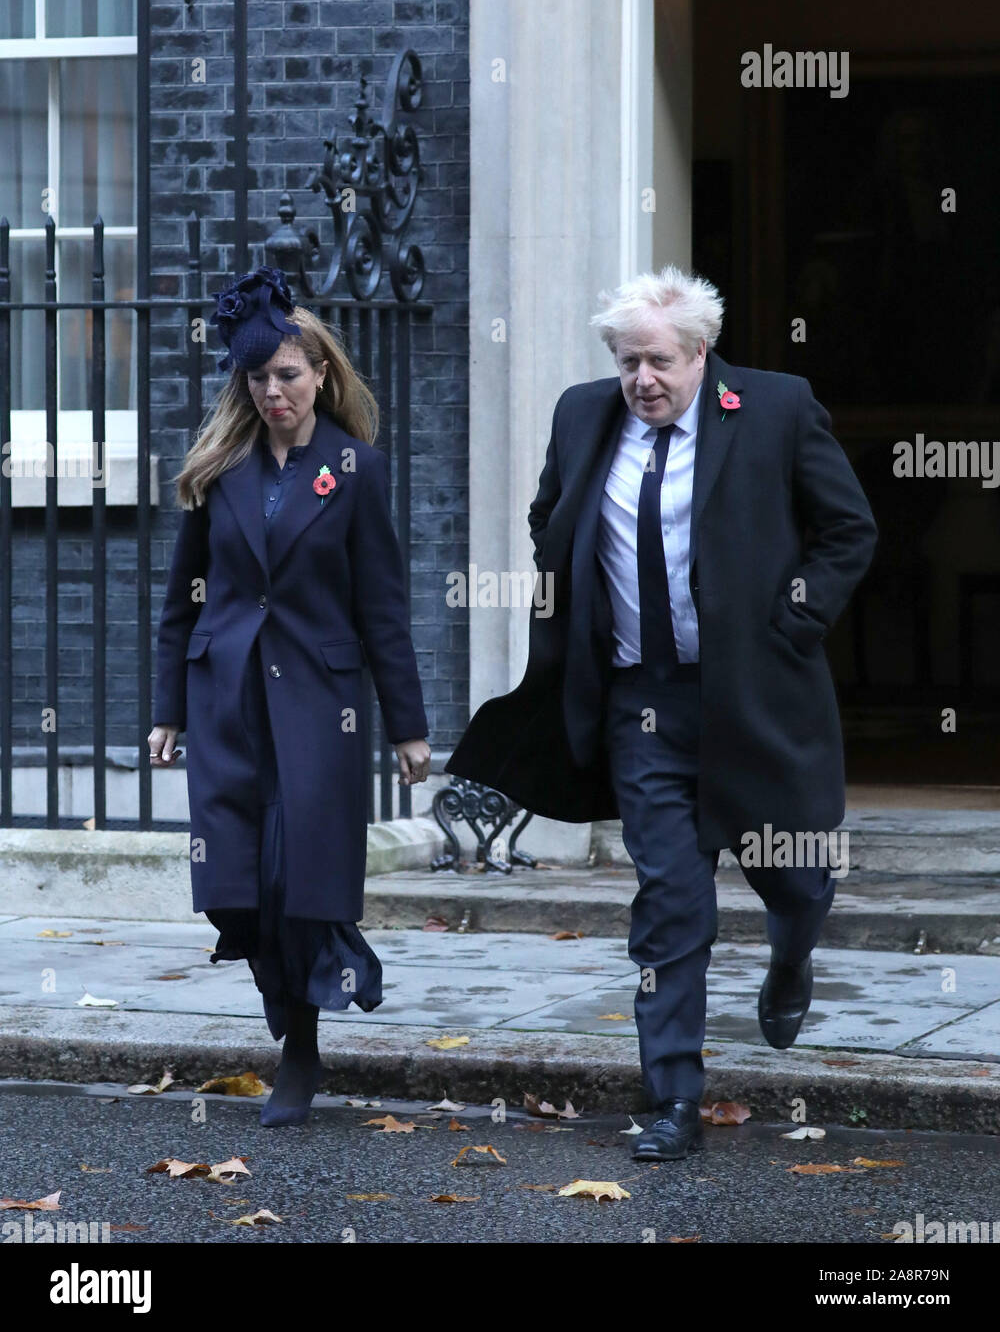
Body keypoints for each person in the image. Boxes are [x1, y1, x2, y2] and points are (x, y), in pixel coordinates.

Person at [444, 265, 878, 1162]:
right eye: (628, 360)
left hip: (757, 700)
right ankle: (672, 1096)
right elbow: (547, 513)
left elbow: (849, 530)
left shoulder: (777, 409)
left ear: (701, 355)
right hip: (641, 706)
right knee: (672, 903)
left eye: (659, 362)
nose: (642, 379)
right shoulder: (582, 414)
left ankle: (792, 955)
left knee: (796, 878)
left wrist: (793, 620)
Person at [148, 265, 430, 1127]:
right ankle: (288, 983)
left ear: (322, 377)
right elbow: (181, 596)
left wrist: (408, 729)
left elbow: (382, 603)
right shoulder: (219, 470)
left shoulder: (356, 469)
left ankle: (299, 1049)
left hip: (320, 703)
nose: (274, 391)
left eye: (289, 376)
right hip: (228, 696)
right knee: (235, 885)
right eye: (259, 378)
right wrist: (167, 708)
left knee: (297, 874)